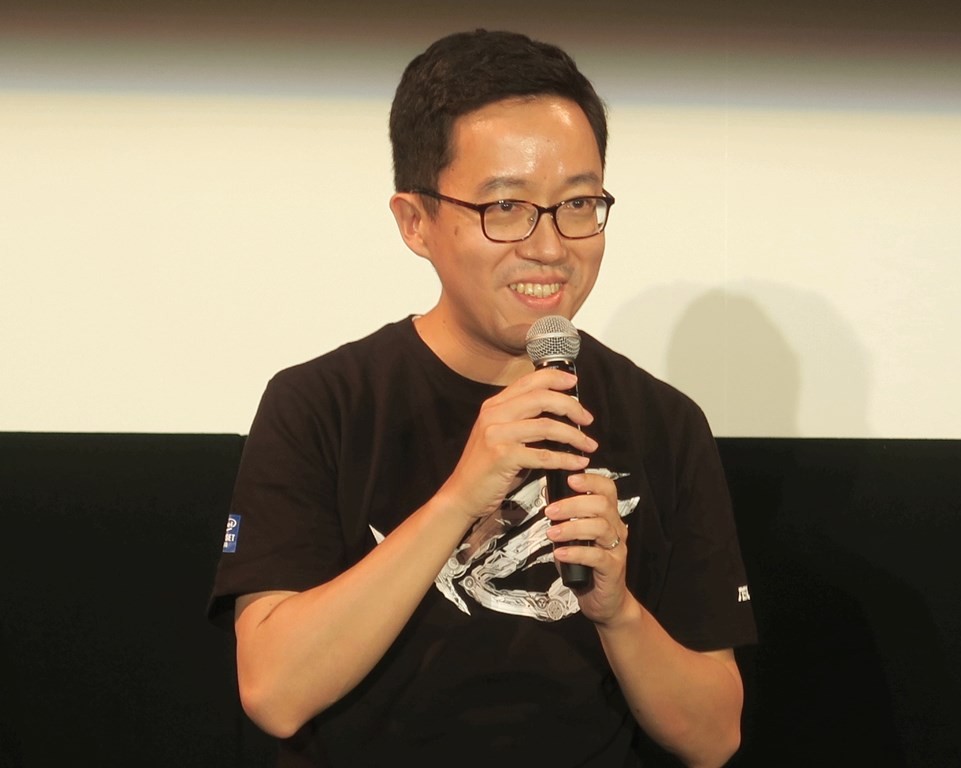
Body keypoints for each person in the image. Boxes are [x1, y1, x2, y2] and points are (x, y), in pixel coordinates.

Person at [209, 28, 756, 768]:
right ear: (416, 223)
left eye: (578, 203)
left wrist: (619, 612)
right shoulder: (321, 404)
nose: (550, 246)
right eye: (505, 207)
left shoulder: (665, 422)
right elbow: (274, 692)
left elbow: (714, 737)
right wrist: (460, 497)